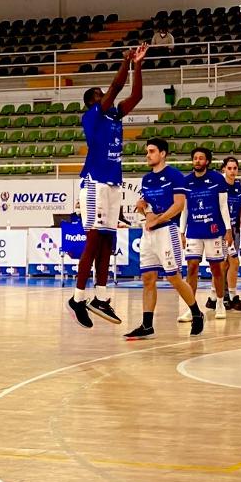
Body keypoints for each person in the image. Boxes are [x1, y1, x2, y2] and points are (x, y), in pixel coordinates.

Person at [67, 43, 147, 329]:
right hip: (94, 183)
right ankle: (77, 297)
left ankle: (100, 296)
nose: (108, 97)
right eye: (101, 96)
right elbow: (115, 87)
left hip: (113, 183)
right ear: (93, 102)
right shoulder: (92, 116)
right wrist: (126, 61)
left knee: (107, 240)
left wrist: (138, 65)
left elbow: (136, 95)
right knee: (93, 238)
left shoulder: (114, 116)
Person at [124, 138, 204, 339]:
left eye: (151, 151)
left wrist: (157, 219)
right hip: (149, 232)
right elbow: (145, 207)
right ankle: (147, 324)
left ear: (163, 153)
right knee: (148, 278)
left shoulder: (175, 176)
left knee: (173, 277)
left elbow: (179, 205)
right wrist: (145, 211)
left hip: (168, 231)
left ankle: (196, 313)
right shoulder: (146, 179)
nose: (148, 155)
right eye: (147, 152)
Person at [178, 147, 233, 323]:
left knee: (216, 268)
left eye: (201, 158)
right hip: (194, 231)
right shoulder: (186, 181)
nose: (197, 161)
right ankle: (191, 308)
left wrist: (228, 229)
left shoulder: (218, 179)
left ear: (207, 161)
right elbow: (184, 209)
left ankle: (219, 303)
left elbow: (224, 206)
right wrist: (182, 232)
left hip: (214, 230)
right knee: (192, 267)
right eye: (195, 158)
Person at [220, 156, 241, 312]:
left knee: (230, 264)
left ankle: (223, 297)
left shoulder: (239, 187)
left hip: (235, 230)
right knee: (227, 263)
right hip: (222, 230)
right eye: (229, 168)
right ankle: (224, 296)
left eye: (235, 168)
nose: (232, 171)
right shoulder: (220, 186)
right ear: (224, 170)